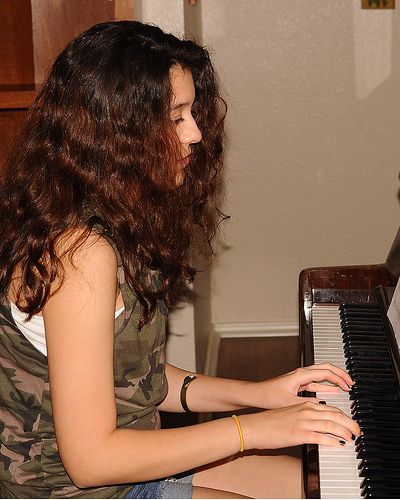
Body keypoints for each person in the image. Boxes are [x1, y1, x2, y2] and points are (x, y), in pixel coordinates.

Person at [0, 20, 360, 499]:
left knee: (314, 488)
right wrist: (252, 429)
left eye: (192, 113)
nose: (195, 133)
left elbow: (134, 377)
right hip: (78, 489)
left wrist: (258, 394)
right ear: (117, 130)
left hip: (132, 460)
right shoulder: (79, 252)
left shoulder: (119, 216)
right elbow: (90, 462)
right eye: (176, 118)